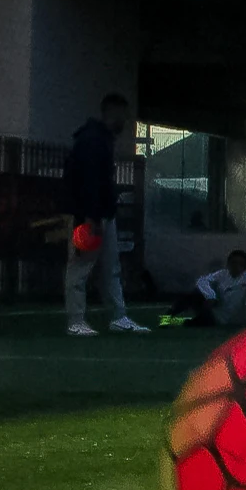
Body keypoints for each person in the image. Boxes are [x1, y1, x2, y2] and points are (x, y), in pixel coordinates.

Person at [64, 93, 147, 336]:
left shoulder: (96, 138)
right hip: (91, 215)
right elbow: (88, 181)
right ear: (112, 113)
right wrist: (90, 216)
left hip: (99, 213)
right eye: (122, 116)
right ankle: (77, 320)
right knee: (81, 267)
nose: (125, 121)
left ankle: (116, 316)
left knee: (107, 267)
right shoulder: (94, 140)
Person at [160, 250, 246, 329]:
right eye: (233, 263)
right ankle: (166, 318)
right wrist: (210, 296)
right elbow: (202, 281)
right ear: (228, 264)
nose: (236, 266)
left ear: (245, 267)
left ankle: (174, 321)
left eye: (240, 264)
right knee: (192, 296)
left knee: (192, 323)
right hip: (215, 311)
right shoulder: (222, 274)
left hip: (223, 319)